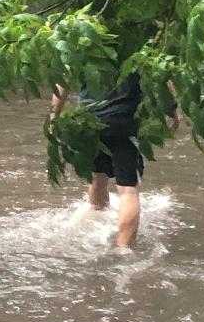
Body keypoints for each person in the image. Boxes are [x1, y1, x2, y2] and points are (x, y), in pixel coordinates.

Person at [49, 74, 179, 248]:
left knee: (97, 177)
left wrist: (53, 117)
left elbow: (63, 79)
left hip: (89, 120)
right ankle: (123, 250)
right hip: (125, 122)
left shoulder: (82, 46)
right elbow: (159, 76)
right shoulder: (139, 46)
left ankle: (96, 220)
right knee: (127, 190)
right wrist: (172, 112)